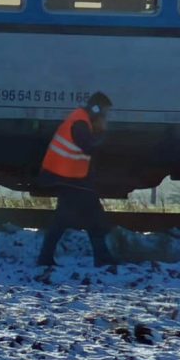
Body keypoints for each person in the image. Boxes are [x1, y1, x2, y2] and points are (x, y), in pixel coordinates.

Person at [36, 92, 116, 267]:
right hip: (67, 177)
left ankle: (46, 258)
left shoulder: (81, 119)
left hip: (72, 177)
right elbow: (88, 146)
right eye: (105, 112)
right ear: (96, 109)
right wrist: (103, 133)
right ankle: (102, 259)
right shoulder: (80, 122)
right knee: (87, 217)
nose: (106, 116)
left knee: (71, 218)